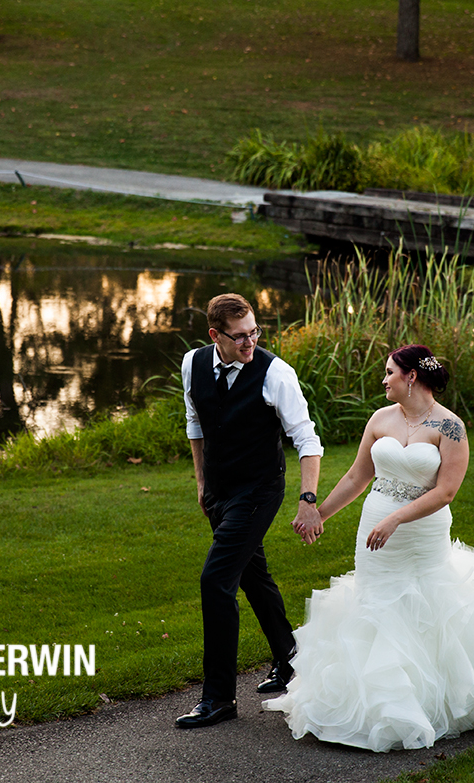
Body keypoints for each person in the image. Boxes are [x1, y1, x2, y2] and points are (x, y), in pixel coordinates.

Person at [264, 344, 474, 751]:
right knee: (375, 603)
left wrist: (397, 518)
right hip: (374, 531)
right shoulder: (380, 419)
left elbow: (447, 491)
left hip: (419, 534)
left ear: (410, 376)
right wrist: (319, 513)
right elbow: (357, 477)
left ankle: (426, 703)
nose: (383, 380)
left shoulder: (450, 427)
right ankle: (374, 703)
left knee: (423, 606)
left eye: (389, 373)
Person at [174, 293, 324, 729]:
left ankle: (218, 698)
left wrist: (308, 498)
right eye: (239, 336)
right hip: (219, 489)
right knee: (252, 575)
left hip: (259, 489)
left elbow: (307, 439)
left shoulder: (276, 372)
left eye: (254, 332)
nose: (250, 342)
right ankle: (290, 659)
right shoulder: (193, 363)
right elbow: (195, 421)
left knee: (216, 580)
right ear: (214, 335)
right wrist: (202, 483)